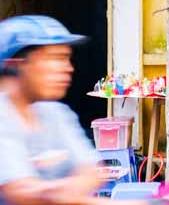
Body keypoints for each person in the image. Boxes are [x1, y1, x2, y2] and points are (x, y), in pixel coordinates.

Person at [0, 15, 104, 205]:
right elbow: (21, 192)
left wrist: (59, 192)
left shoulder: (56, 113)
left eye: (67, 58)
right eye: (56, 58)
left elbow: (92, 171)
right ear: (16, 65)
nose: (68, 68)